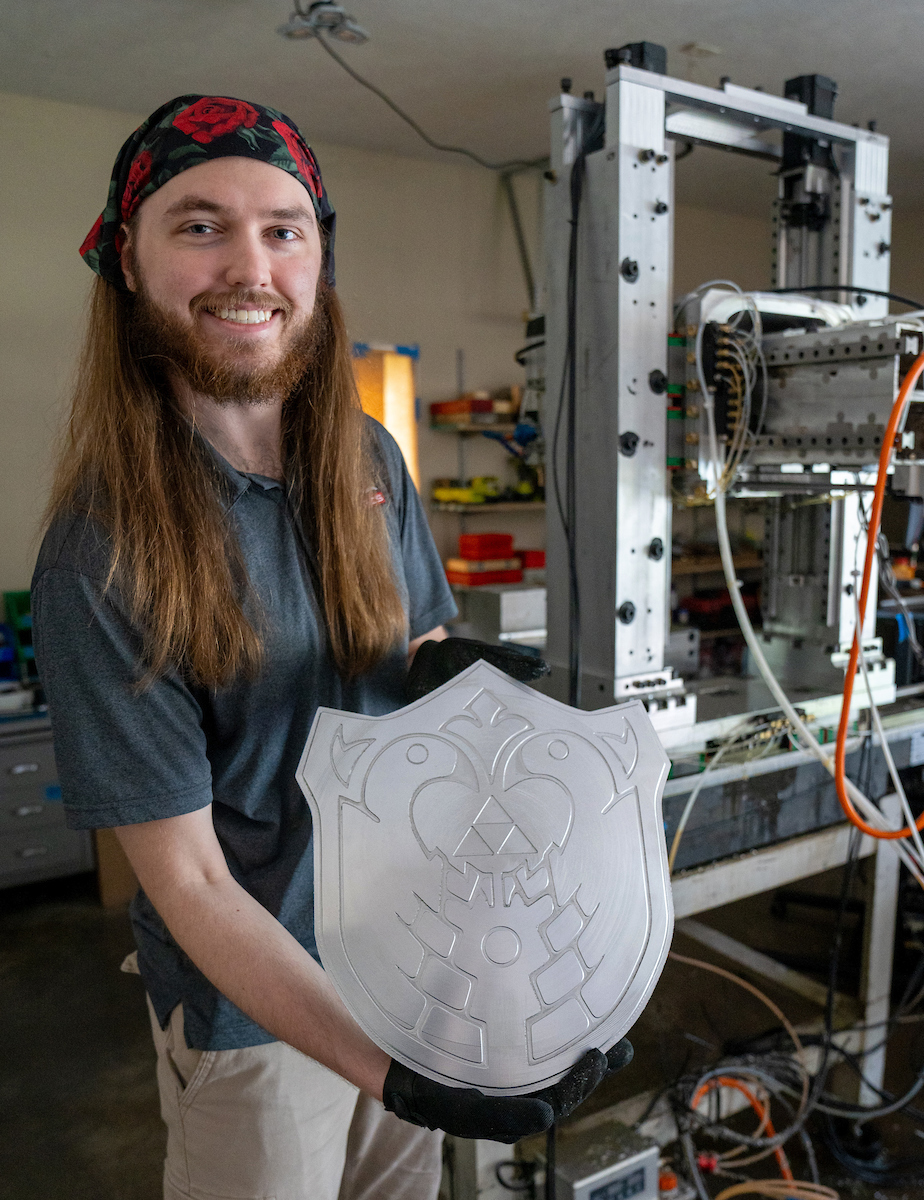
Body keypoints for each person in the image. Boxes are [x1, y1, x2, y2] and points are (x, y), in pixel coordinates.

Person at [32, 95, 623, 1200]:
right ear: (127, 260)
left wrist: (448, 669)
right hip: (254, 1017)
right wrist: (390, 1073)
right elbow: (198, 885)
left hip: (415, 960)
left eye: (283, 228)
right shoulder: (105, 553)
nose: (248, 265)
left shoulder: (369, 458)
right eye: (198, 225)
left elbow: (417, 637)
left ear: (317, 256)